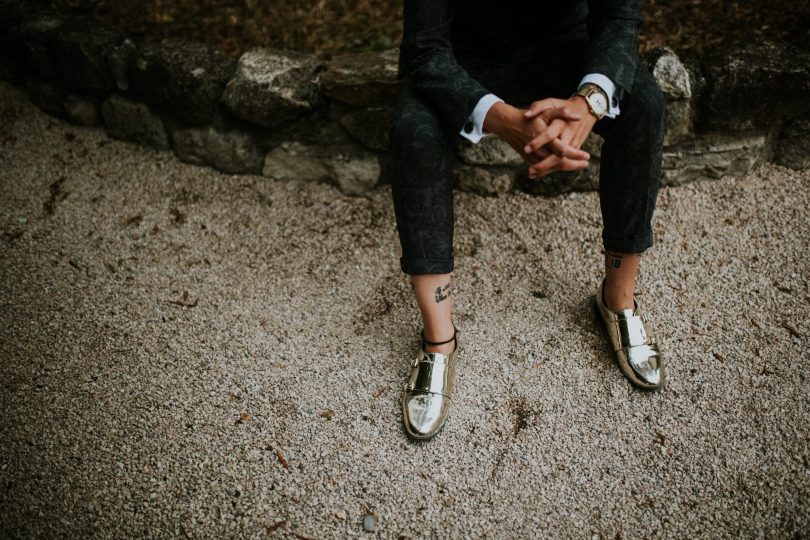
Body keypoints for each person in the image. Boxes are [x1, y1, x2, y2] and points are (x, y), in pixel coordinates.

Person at [391, 0, 667, 440]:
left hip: (565, 47)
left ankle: (617, 299)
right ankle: (439, 340)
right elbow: (424, 49)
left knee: (646, 105)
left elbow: (618, 20)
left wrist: (589, 102)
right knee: (413, 130)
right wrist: (501, 119)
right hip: (463, 57)